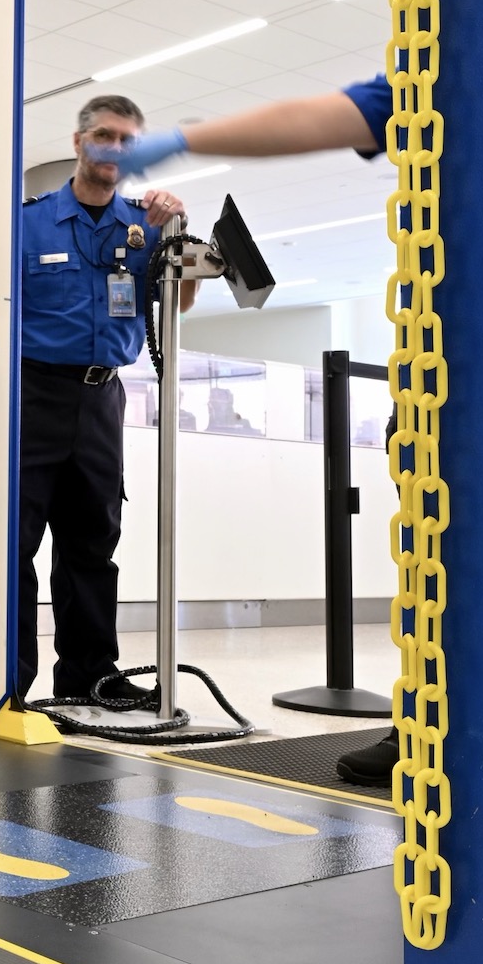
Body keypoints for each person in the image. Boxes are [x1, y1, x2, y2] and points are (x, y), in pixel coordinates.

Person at [104, 74, 399, 779]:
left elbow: (322, 115)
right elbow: (331, 113)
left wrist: (182, 148)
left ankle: (450, 720)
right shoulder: (438, 62)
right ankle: (421, 720)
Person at [16, 94, 186, 707]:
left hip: (101, 398)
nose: (115, 149)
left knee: (92, 543)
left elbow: (179, 307)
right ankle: (8, 683)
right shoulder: (27, 222)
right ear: (79, 141)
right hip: (31, 396)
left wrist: (176, 237)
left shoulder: (143, 228)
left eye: (128, 142)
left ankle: (91, 677)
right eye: (106, 136)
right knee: (17, 545)